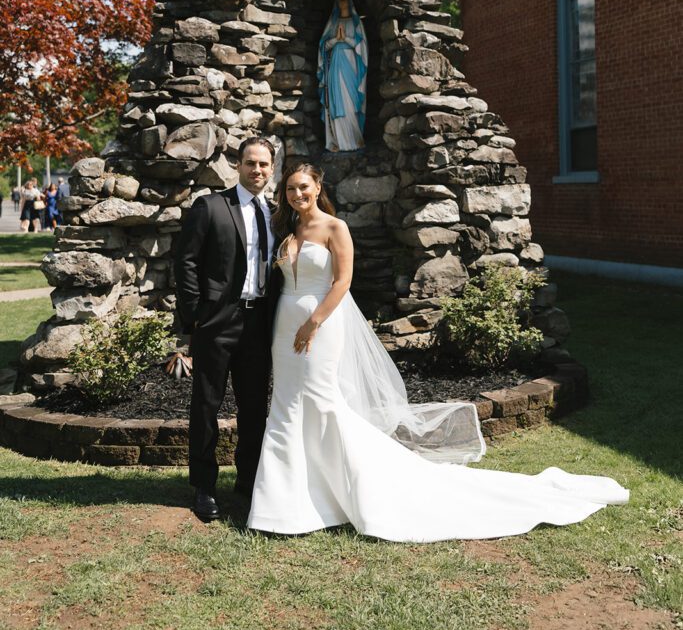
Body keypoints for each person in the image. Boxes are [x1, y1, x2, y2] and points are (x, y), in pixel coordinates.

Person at [247, 163, 629, 542]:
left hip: (321, 325)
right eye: (291, 188)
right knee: (286, 403)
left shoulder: (335, 227)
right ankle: (287, 501)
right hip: (285, 325)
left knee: (322, 402)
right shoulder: (287, 230)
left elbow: (343, 281)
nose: (297, 194)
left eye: (304, 186)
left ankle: (349, 487)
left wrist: (314, 322)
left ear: (318, 187)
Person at [175, 137, 278, 523]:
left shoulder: (276, 214)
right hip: (216, 322)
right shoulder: (212, 206)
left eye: (264, 164)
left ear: (272, 168)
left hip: (259, 323)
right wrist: (194, 315)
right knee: (206, 405)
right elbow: (185, 261)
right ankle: (203, 486)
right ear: (238, 165)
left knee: (255, 408)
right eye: (251, 162)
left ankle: (248, 482)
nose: (257, 170)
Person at [317, 0, 368, 152]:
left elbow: (362, 47)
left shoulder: (356, 23)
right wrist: (336, 39)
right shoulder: (332, 23)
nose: (342, 1)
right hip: (335, 65)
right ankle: (338, 141)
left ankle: (354, 139)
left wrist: (345, 38)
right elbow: (323, 47)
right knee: (335, 100)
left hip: (352, 65)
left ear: (350, 1)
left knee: (351, 102)